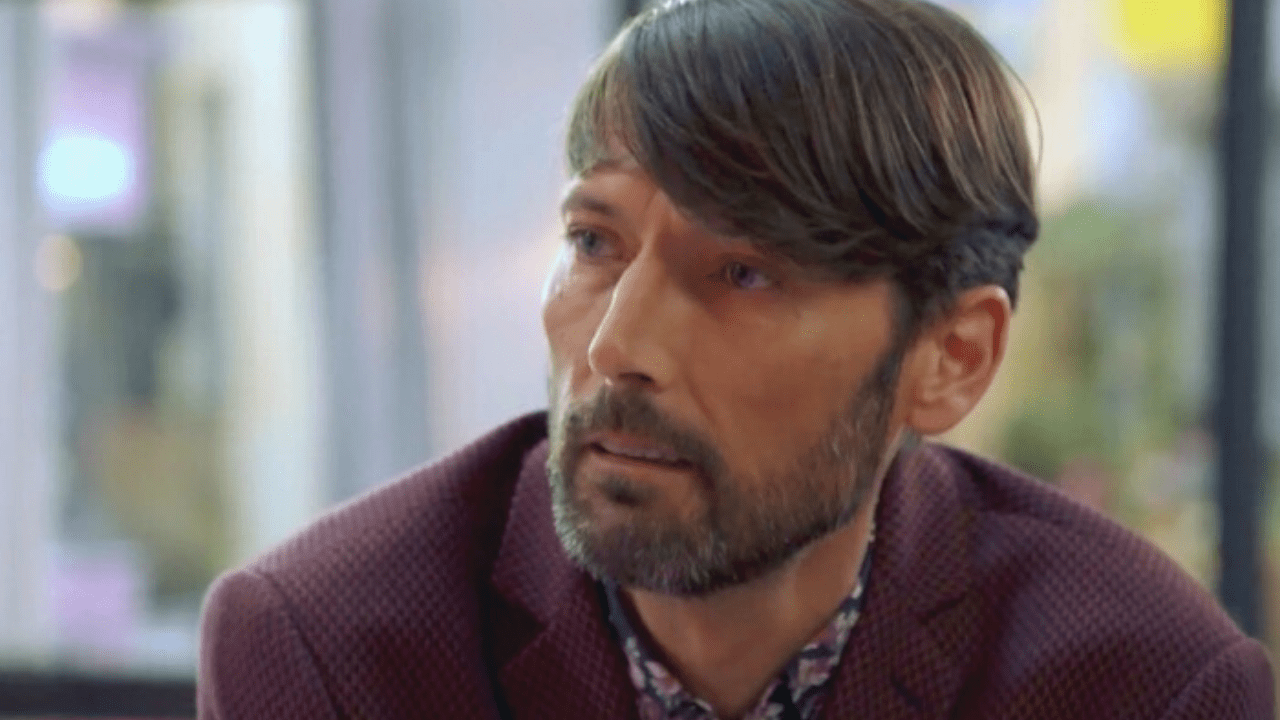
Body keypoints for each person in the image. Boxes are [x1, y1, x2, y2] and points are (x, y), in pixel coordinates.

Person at [196, 0, 1274, 717]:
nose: (616, 345)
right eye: (593, 243)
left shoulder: (1141, 685)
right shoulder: (329, 654)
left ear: (949, 356)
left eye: (743, 273)